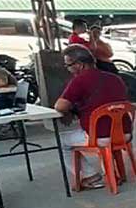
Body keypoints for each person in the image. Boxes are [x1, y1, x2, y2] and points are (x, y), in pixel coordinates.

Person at [54, 45, 131, 190]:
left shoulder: (80, 80)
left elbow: (60, 106)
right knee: (105, 134)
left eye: (68, 65)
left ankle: (91, 176)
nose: (67, 69)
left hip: (100, 136)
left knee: (62, 141)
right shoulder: (115, 78)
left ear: (79, 65)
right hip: (124, 133)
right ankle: (113, 173)